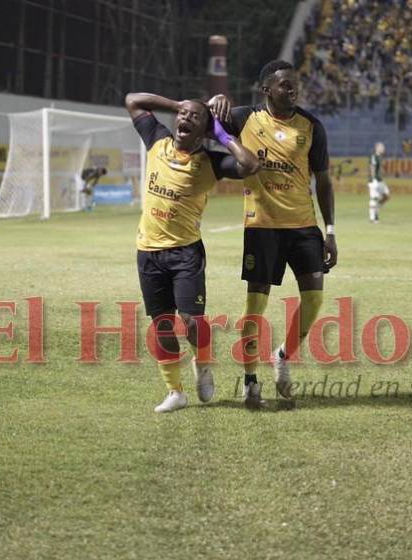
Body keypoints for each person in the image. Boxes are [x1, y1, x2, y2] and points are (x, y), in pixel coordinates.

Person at [209, 59, 337, 408]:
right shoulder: (243, 118)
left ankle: (282, 354)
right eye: (284, 84)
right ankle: (251, 382)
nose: (292, 89)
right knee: (256, 306)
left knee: (314, 298)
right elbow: (203, 121)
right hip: (262, 227)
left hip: (303, 226)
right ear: (266, 89)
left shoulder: (312, 126)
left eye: (295, 83)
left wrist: (330, 230)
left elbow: (324, 182)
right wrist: (214, 103)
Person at [124, 91, 259, 413]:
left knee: (192, 322)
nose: (184, 119)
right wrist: (181, 105)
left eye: (194, 117)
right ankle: (175, 392)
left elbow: (250, 164)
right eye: (182, 115)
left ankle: (203, 364)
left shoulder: (211, 162)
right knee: (162, 325)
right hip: (148, 251)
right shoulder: (157, 139)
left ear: (205, 131)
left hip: (186, 253)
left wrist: (223, 135)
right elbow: (133, 100)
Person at [368, 141, 391, 223]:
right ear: (377, 148)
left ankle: (376, 210)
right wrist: (373, 178)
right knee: (374, 198)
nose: (383, 148)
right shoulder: (374, 156)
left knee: (387, 196)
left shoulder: (380, 157)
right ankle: (372, 218)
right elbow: (372, 167)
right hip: (374, 181)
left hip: (380, 180)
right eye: (382, 147)